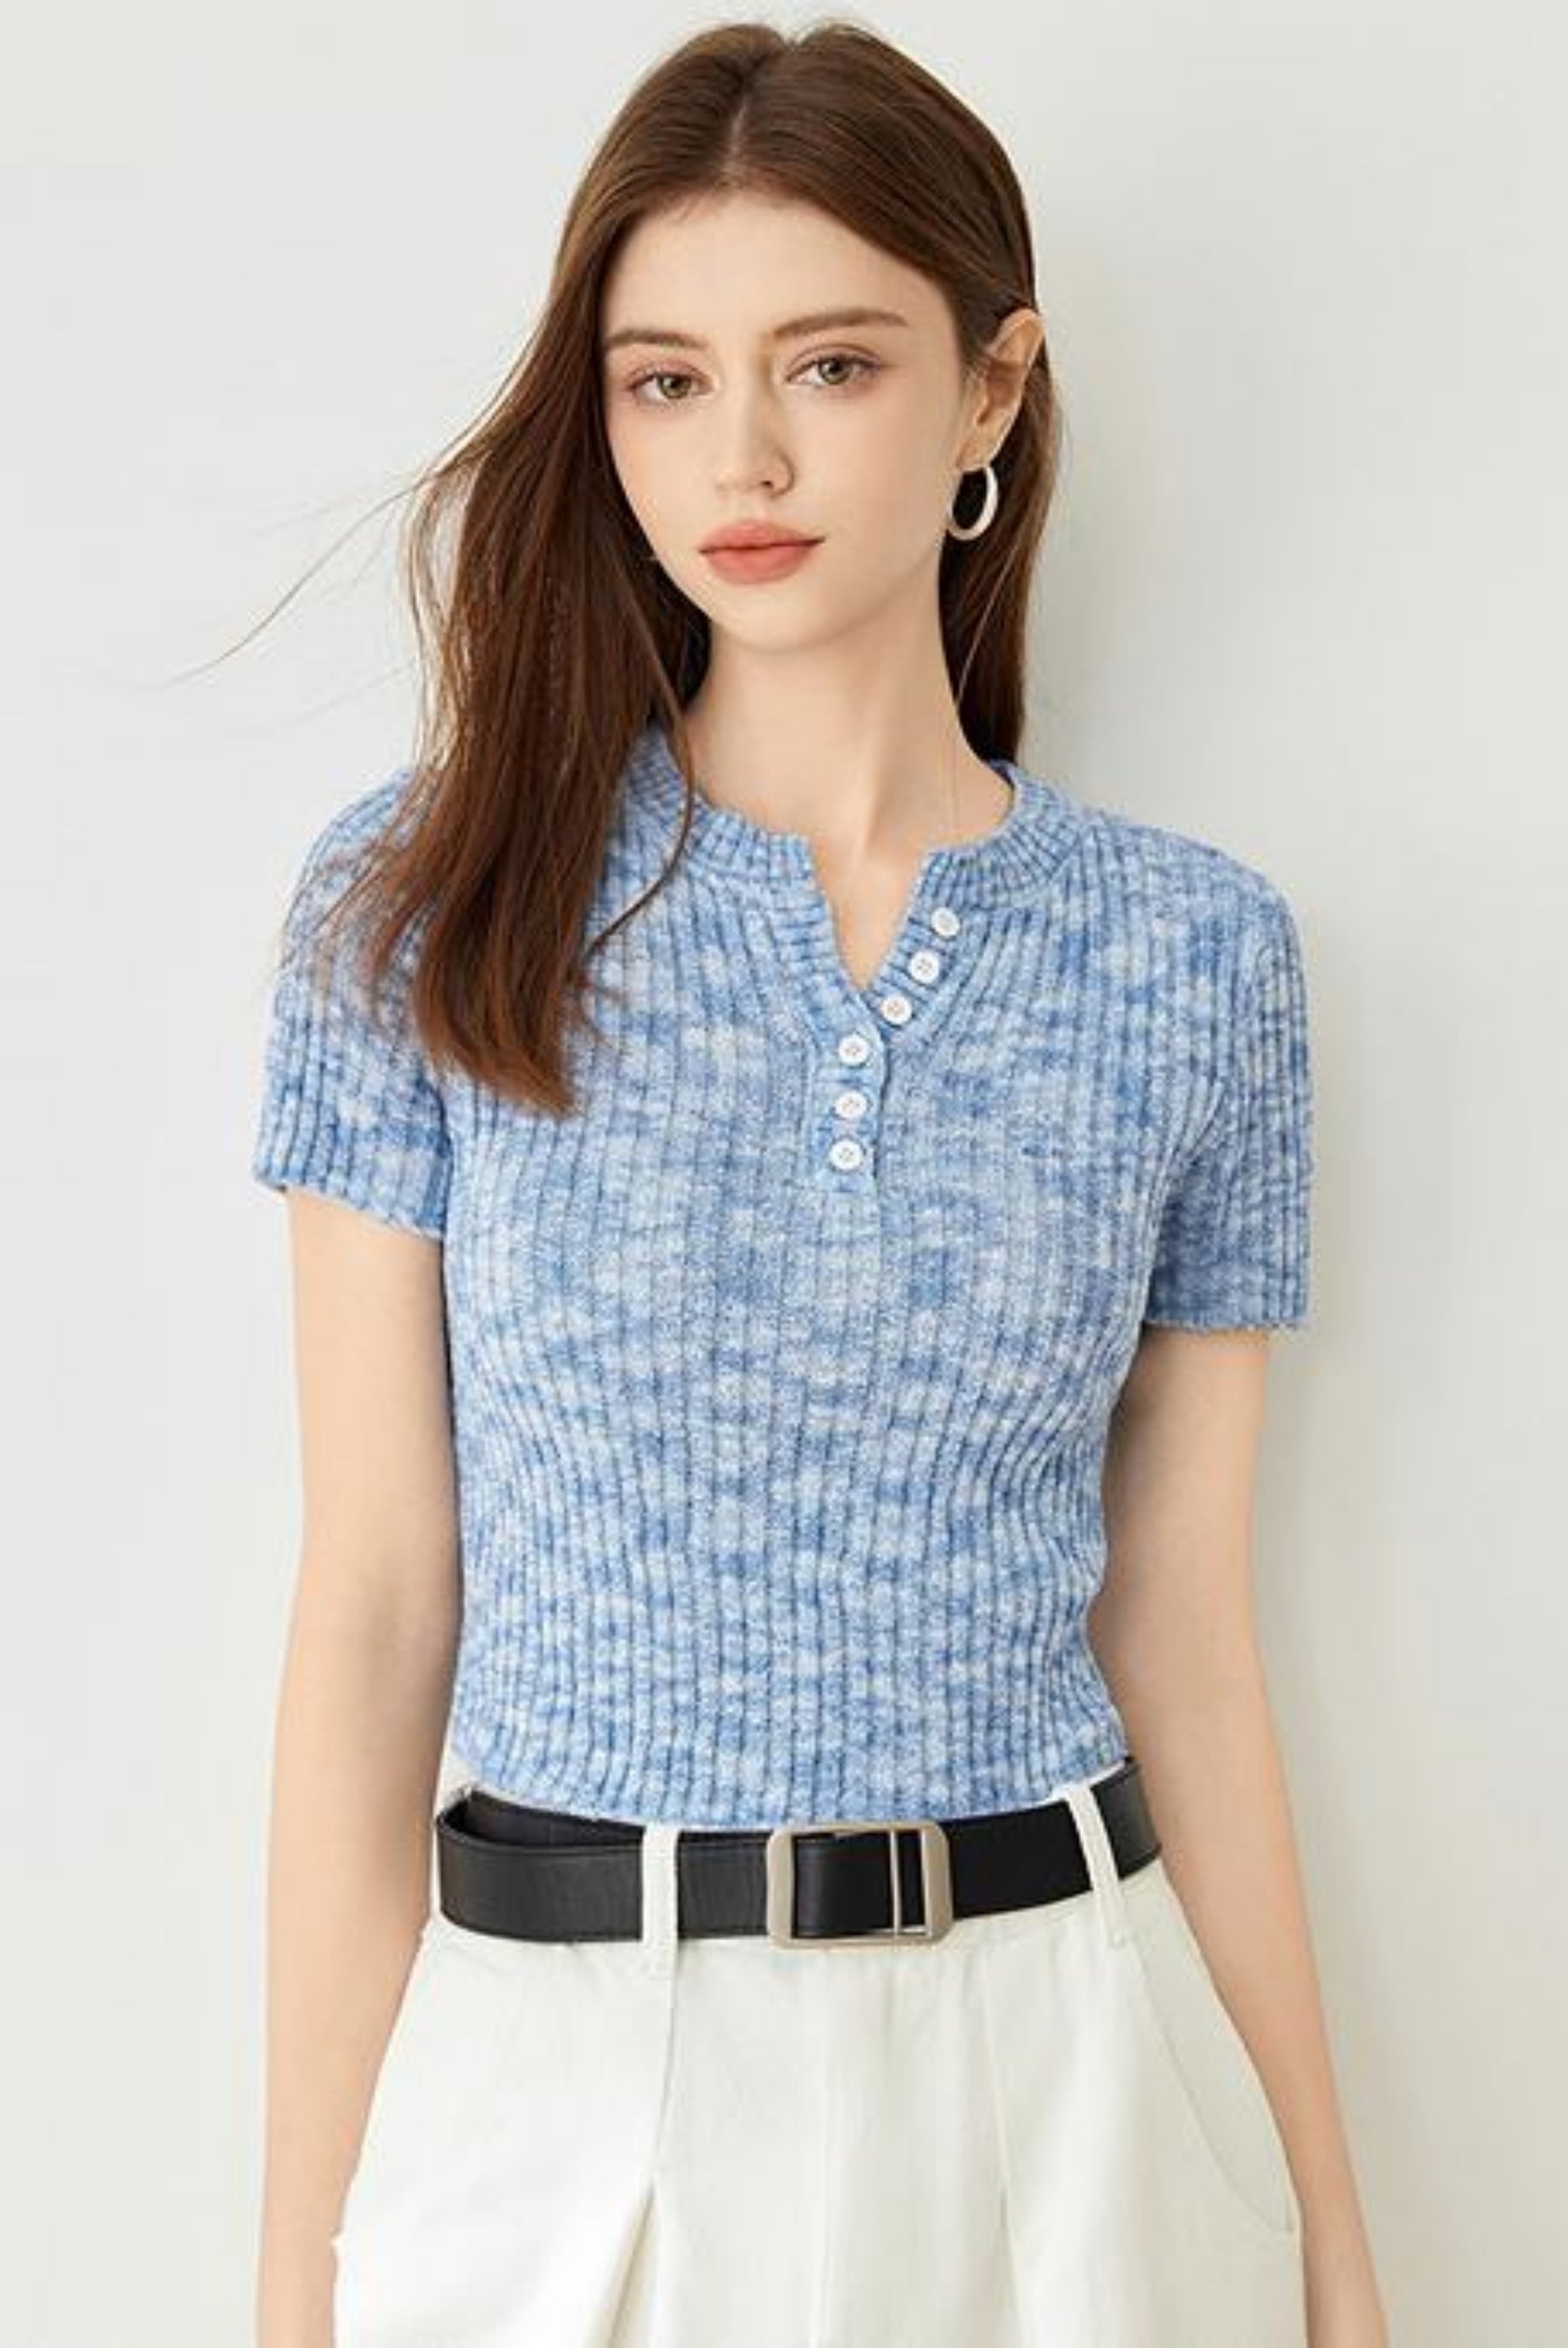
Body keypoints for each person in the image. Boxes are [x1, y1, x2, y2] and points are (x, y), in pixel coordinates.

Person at [249, 20, 1386, 2348]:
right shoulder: (421, 904)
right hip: (561, 2096)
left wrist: (1336, 2265)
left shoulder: (1192, 955)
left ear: (990, 394)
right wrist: (298, 2282)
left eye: (832, 365)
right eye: (664, 382)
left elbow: (1185, 1634)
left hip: (1069, 2071)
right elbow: (371, 1613)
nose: (740, 459)